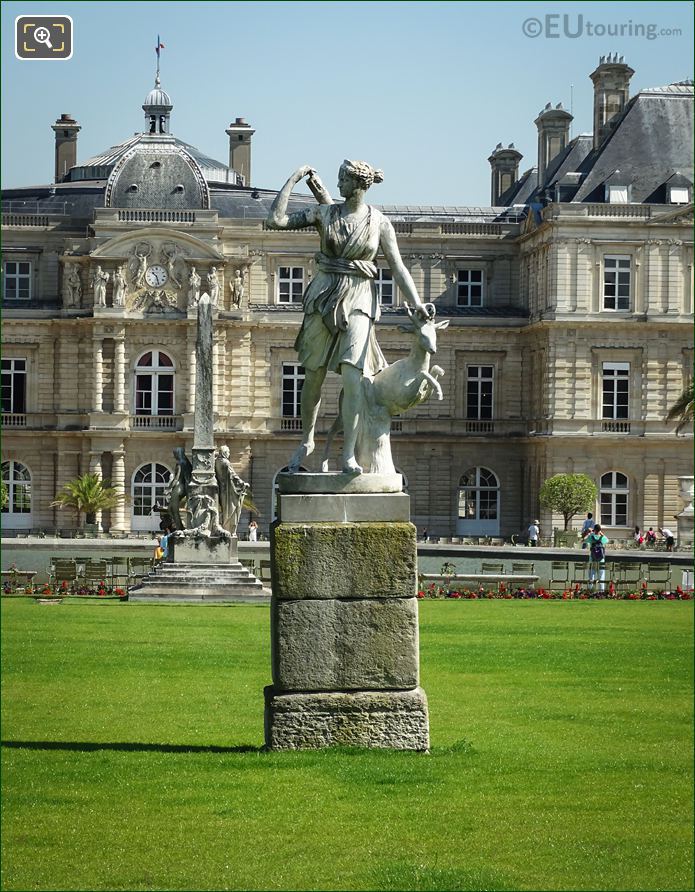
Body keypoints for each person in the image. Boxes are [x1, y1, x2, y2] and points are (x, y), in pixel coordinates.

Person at [267, 160, 430, 475]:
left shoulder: (379, 222)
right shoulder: (324, 213)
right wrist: (294, 178)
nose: (338, 183)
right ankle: (307, 439)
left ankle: (348, 455)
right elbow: (275, 220)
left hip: (360, 298)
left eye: (342, 178)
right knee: (312, 374)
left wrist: (418, 304)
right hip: (324, 295)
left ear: (357, 184)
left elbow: (397, 267)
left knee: (354, 380)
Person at [583, 523, 608, 593]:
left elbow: (584, 539)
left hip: (592, 559)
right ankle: (601, 592)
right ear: (600, 530)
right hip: (601, 559)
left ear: (594, 530)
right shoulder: (603, 538)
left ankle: (591, 591)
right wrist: (601, 533)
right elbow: (607, 540)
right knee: (601, 577)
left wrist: (589, 533)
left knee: (591, 576)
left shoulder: (591, 536)